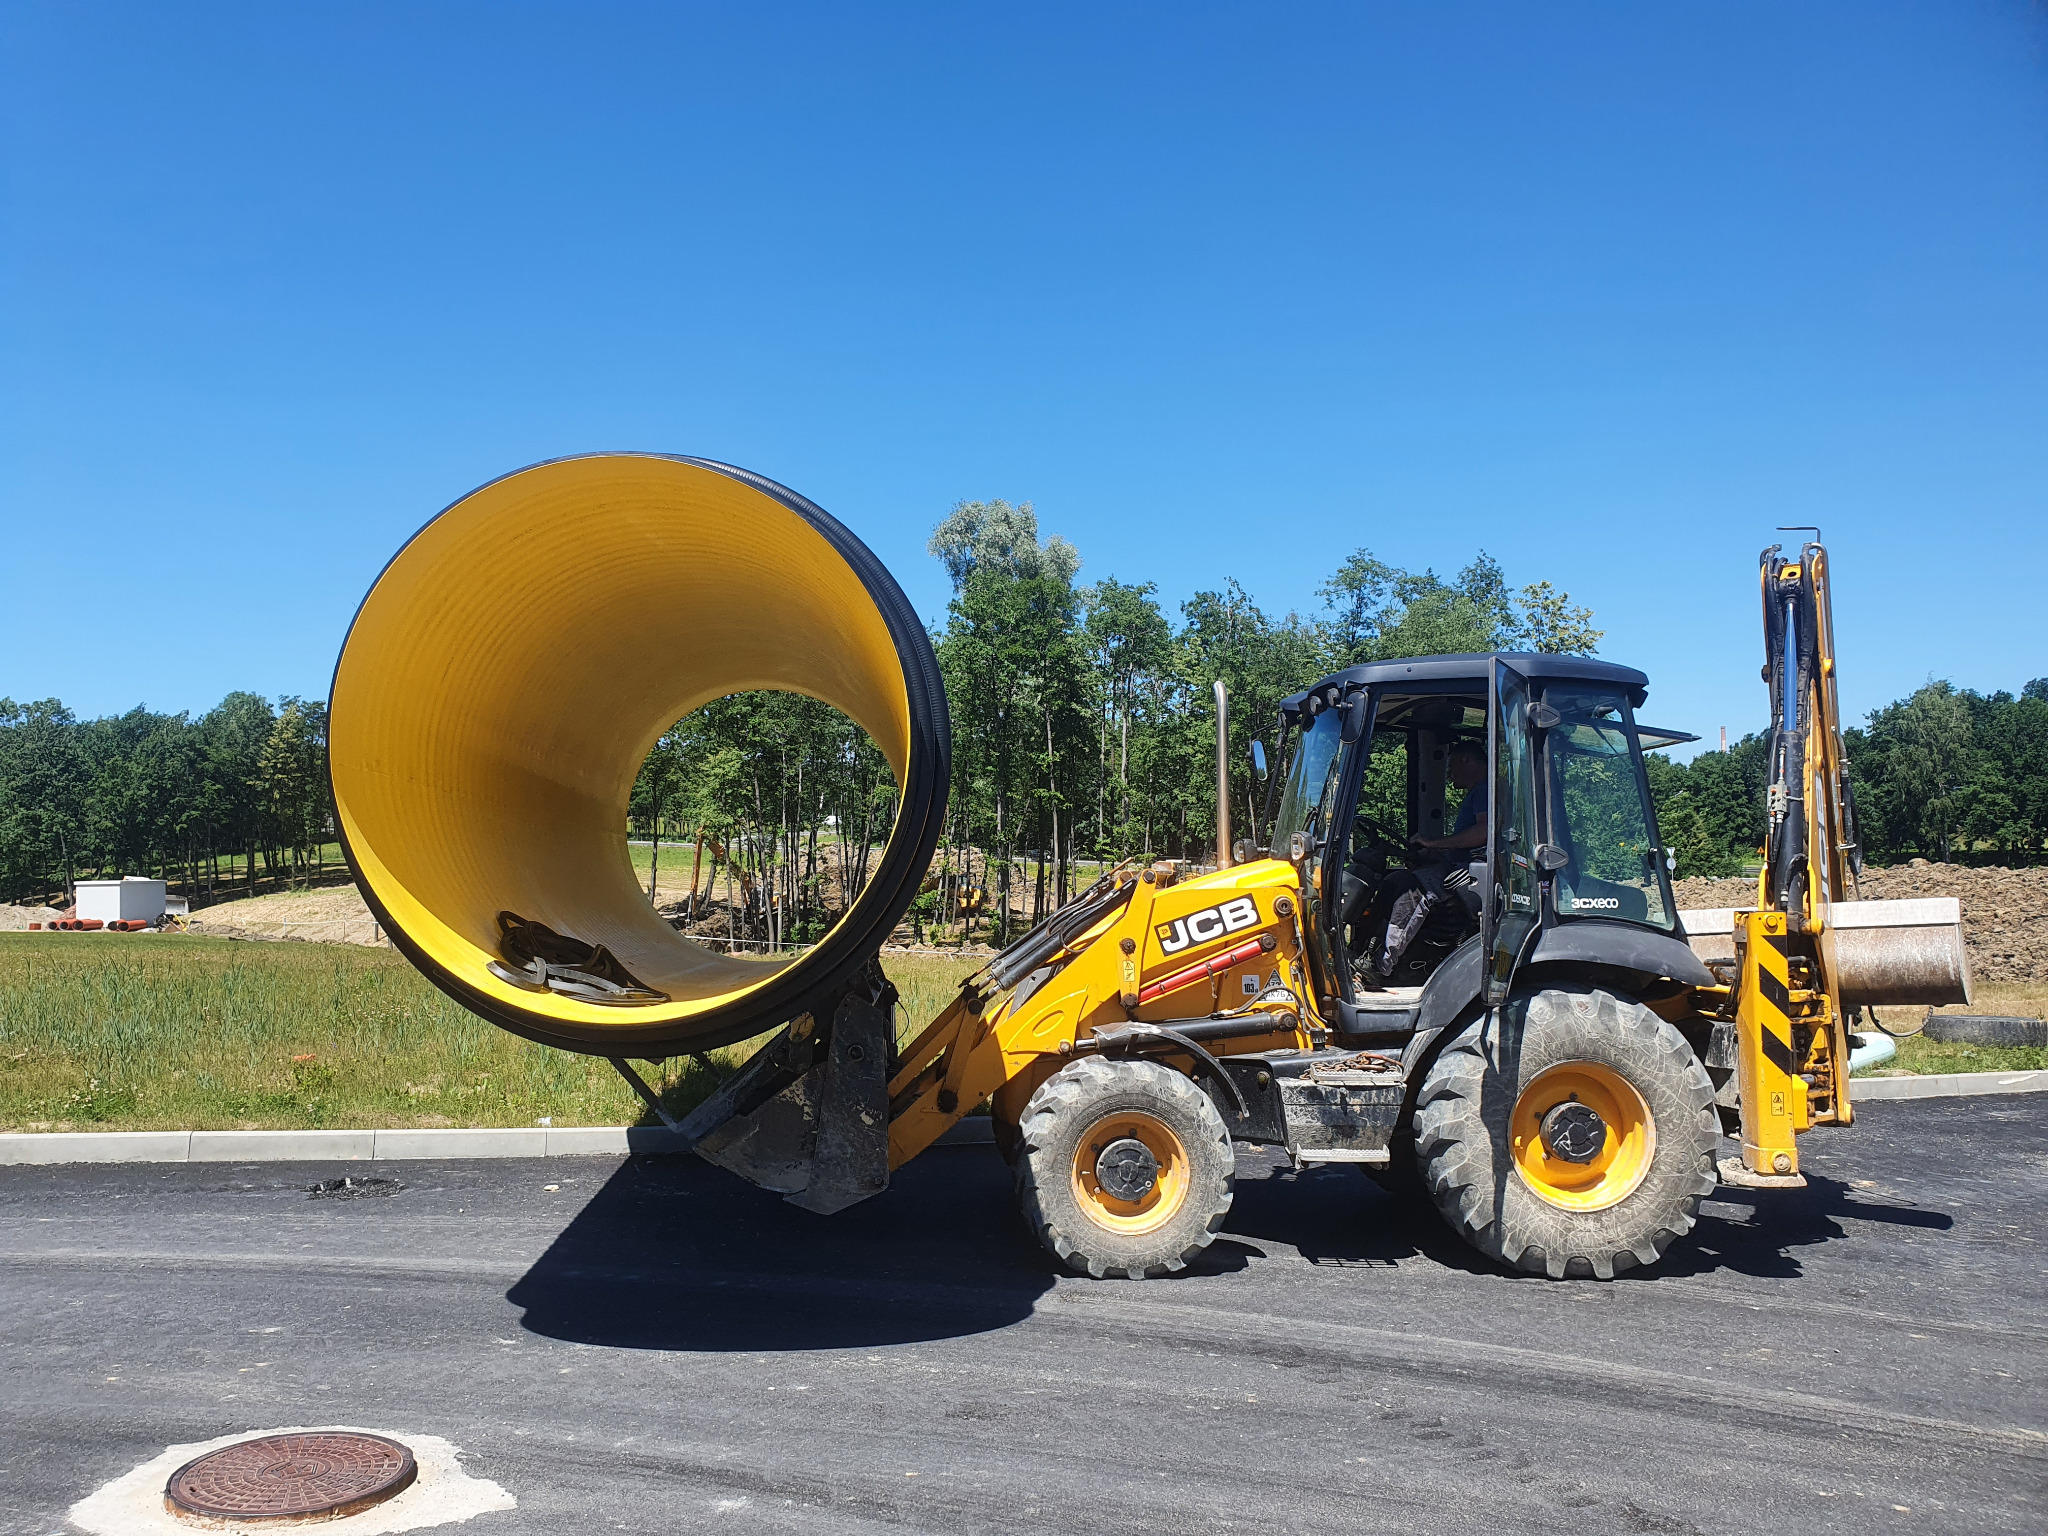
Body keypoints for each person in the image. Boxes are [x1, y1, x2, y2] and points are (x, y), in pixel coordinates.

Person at [1413, 741, 1487, 854]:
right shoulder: (1479, 791)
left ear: (1467, 760)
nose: (1448, 775)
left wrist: (1432, 844)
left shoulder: (1484, 790)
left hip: (1469, 867)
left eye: (1451, 767)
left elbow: (1484, 831)